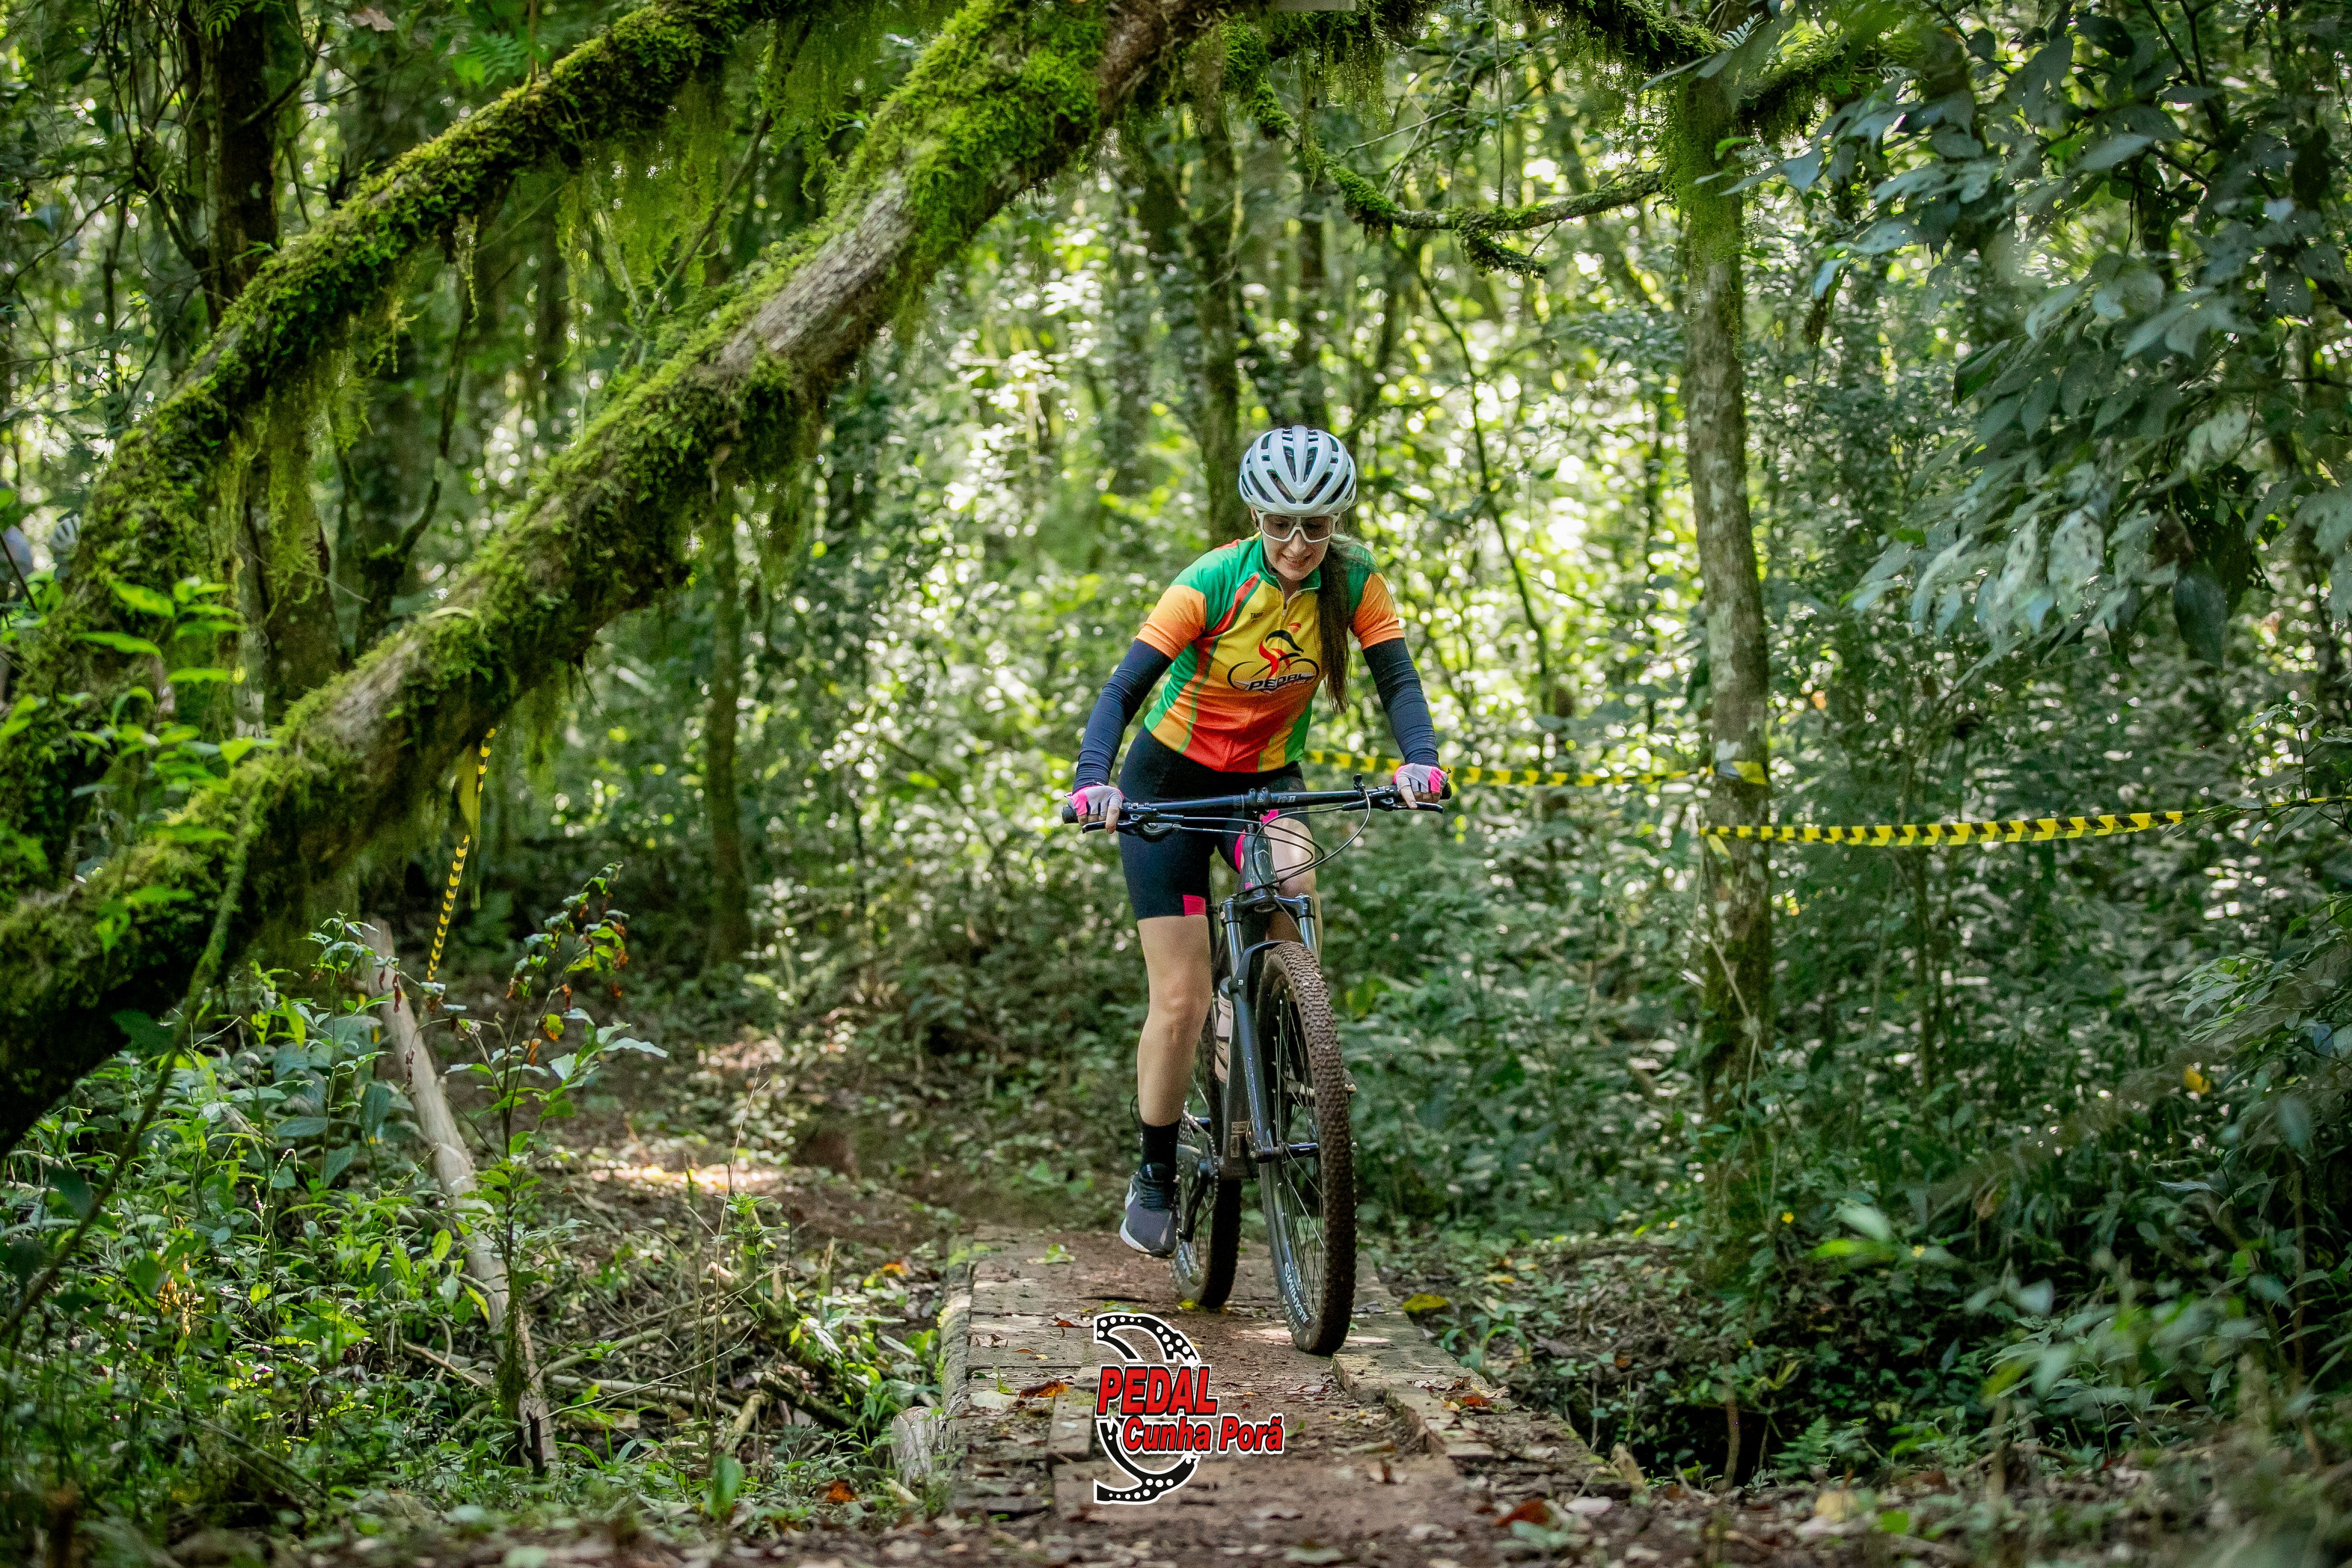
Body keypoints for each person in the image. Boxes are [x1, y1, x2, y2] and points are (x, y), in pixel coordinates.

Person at [1069, 426, 1446, 1257]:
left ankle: (1286, 1035)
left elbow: (1398, 679)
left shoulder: (1353, 582)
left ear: (1337, 523)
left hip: (1266, 782)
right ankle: (1156, 1172)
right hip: (1168, 788)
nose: (1299, 544)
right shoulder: (1210, 581)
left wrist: (1420, 760)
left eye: (1317, 526)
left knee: (1295, 879)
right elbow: (1122, 689)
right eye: (1281, 524)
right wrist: (1095, 780)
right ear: (1256, 517)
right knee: (1180, 999)